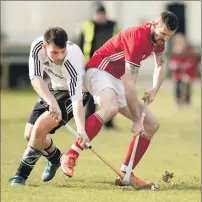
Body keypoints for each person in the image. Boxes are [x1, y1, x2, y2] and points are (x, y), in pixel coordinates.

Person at [60, 11, 178, 189]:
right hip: (98, 70)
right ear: (154, 24)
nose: (164, 39)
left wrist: (154, 89)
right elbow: (130, 85)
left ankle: (126, 173)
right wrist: (137, 120)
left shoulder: (158, 42)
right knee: (110, 108)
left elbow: (160, 65)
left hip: (116, 78)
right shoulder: (138, 37)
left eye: (168, 36)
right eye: (162, 34)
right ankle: (70, 155)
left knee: (152, 125)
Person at [9, 27, 90, 185]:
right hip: (54, 89)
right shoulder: (37, 47)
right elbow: (36, 78)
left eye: (62, 51)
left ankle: (20, 176)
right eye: (54, 52)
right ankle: (56, 158)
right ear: (45, 47)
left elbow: (76, 98)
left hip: (76, 93)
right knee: (30, 133)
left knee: (39, 128)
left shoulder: (73, 57)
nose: (59, 57)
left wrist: (81, 129)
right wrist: (52, 102)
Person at [79, 2, 119, 129]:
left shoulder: (113, 26)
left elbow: (119, 44)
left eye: (102, 14)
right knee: (90, 95)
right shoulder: (88, 25)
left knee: (110, 93)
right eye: (98, 14)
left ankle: (109, 122)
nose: (100, 17)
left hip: (109, 65)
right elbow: (81, 44)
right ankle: (89, 121)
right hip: (91, 64)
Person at [169, 33, 198, 107]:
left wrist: (184, 69)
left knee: (187, 86)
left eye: (181, 41)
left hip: (187, 73)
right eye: (178, 42)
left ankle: (187, 102)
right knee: (178, 85)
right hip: (178, 73)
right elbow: (172, 62)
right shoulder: (174, 51)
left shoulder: (188, 50)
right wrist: (174, 66)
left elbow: (191, 62)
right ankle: (178, 101)